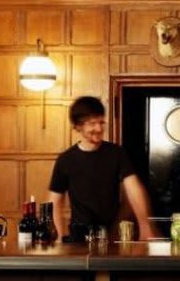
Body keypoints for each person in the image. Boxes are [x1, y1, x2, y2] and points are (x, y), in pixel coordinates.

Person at [48, 96, 156, 241]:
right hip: (80, 236)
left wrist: (145, 227)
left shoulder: (117, 153)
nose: (99, 128)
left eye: (101, 122)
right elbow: (54, 202)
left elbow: (133, 189)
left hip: (112, 234)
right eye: (92, 123)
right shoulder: (66, 160)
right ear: (78, 126)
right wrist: (59, 237)